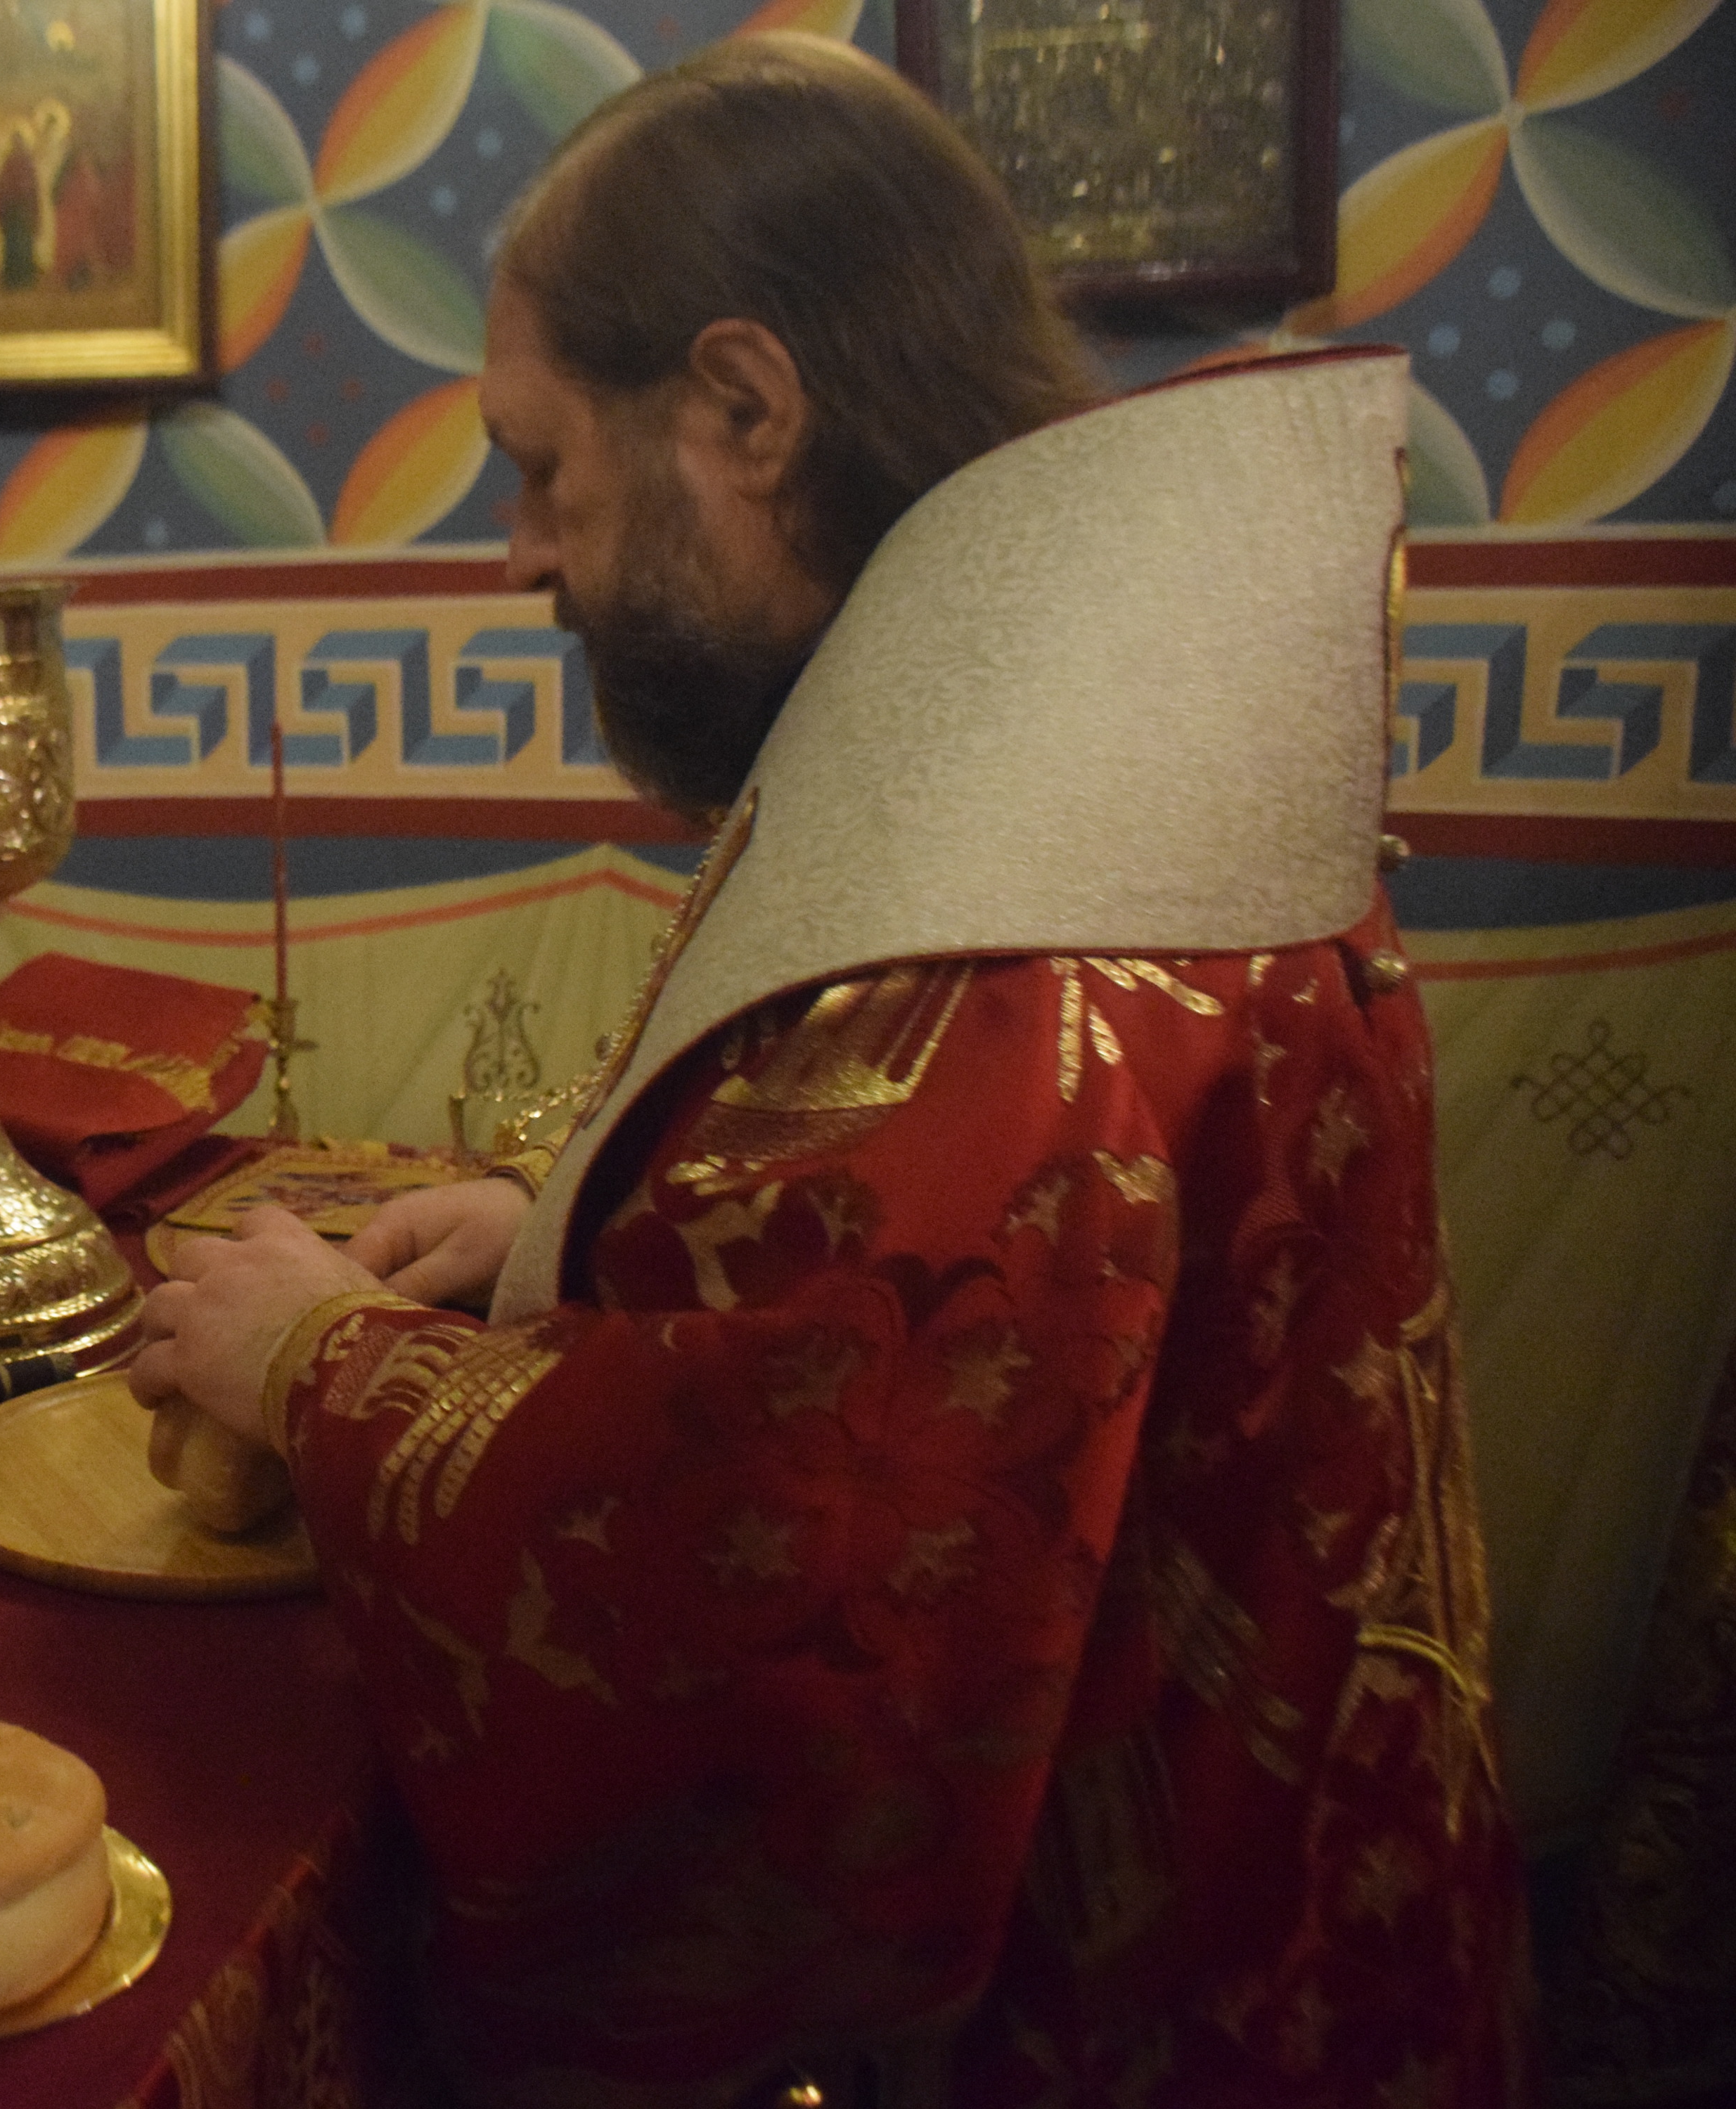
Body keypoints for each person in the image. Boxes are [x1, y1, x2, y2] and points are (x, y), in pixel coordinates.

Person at [128, 32, 1532, 2109]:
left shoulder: (1011, 915)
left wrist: (323, 1369)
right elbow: (933, 1314)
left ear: (745, 409)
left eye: (542, 463)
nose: (521, 553)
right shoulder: (1055, 721)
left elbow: (790, 1612)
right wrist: (564, 1234)